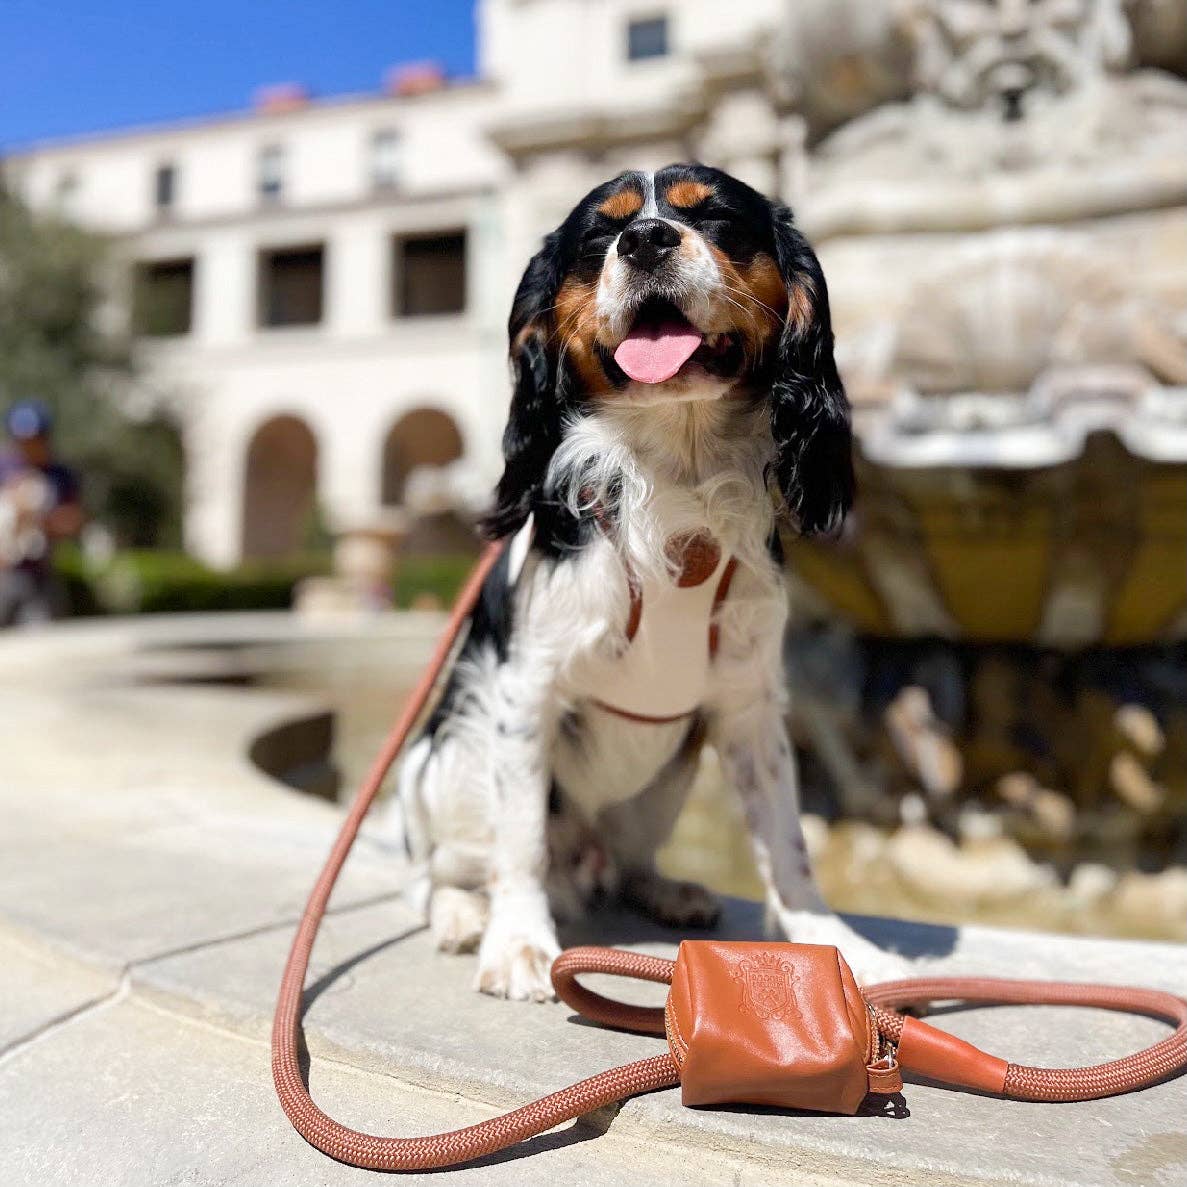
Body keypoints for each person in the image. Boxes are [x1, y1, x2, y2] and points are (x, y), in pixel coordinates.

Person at [0, 400, 83, 626]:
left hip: (41, 576)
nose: (29, 446)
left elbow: (74, 522)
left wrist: (38, 519)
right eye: (23, 440)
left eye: (35, 439)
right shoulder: (3, 467)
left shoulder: (60, 475)